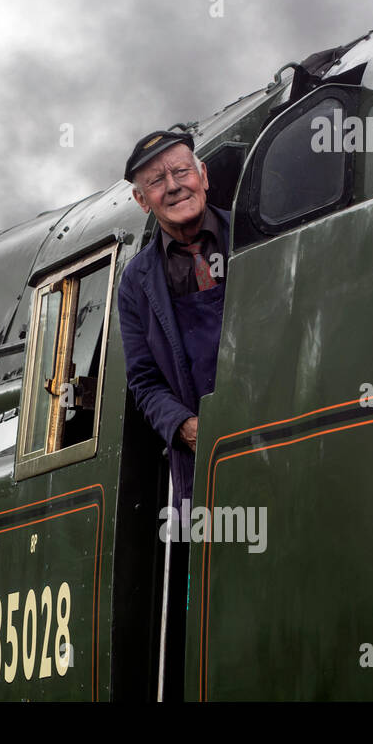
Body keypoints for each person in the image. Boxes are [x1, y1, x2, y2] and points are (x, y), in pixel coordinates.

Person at [116, 128, 230, 698]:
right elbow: (142, 379)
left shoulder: (251, 235)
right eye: (156, 181)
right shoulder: (135, 283)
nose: (174, 186)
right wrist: (184, 426)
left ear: (203, 175)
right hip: (201, 465)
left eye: (181, 171)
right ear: (142, 200)